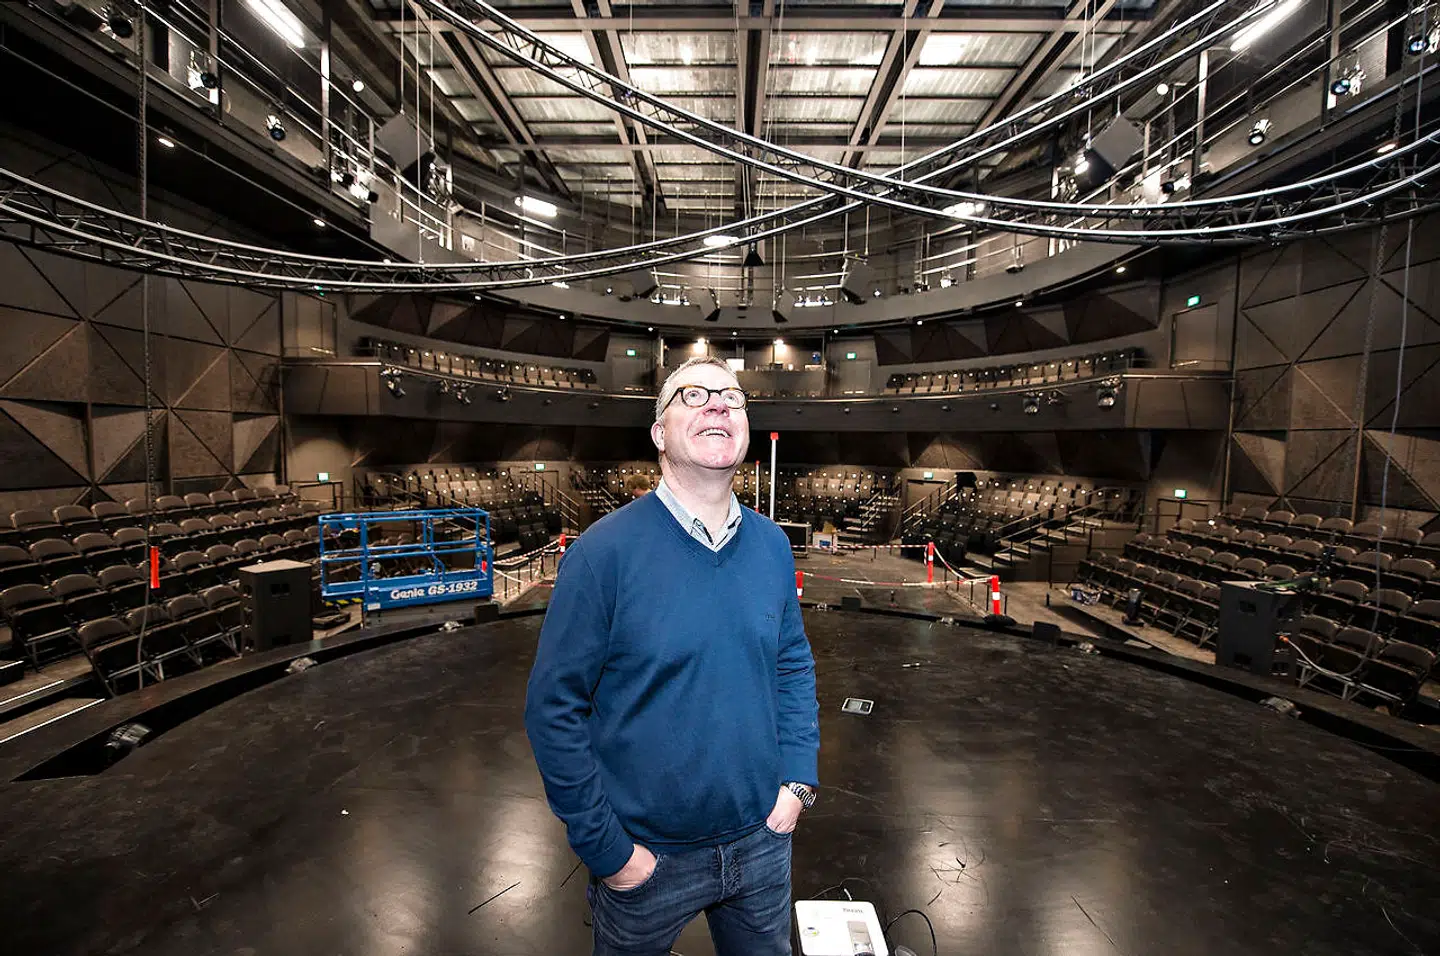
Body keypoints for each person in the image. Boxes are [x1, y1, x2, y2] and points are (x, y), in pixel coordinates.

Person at [525, 355, 820, 956]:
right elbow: (554, 710)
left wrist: (797, 784)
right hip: (646, 860)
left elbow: (792, 664)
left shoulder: (771, 545)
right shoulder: (600, 555)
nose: (718, 404)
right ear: (659, 434)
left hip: (763, 841)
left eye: (733, 398)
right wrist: (610, 853)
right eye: (693, 395)